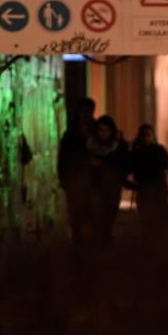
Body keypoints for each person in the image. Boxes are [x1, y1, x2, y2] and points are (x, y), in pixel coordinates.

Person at [85, 115, 131, 246]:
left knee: (110, 213)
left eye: (106, 130)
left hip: (112, 186)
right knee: (96, 213)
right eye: (100, 130)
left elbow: (126, 164)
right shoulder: (90, 144)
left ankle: (105, 238)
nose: (103, 133)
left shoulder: (119, 145)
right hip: (95, 185)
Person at [130, 124, 168, 237]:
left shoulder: (159, 151)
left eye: (148, 135)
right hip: (145, 192)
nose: (146, 138)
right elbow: (125, 168)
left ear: (153, 136)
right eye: (144, 136)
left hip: (159, 191)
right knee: (147, 223)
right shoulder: (136, 152)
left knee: (159, 221)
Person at [58, 97, 96, 246]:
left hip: (92, 180)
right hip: (74, 180)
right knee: (77, 214)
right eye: (84, 111)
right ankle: (79, 245)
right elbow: (63, 158)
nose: (87, 114)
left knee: (91, 213)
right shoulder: (70, 134)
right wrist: (64, 179)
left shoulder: (96, 130)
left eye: (89, 111)